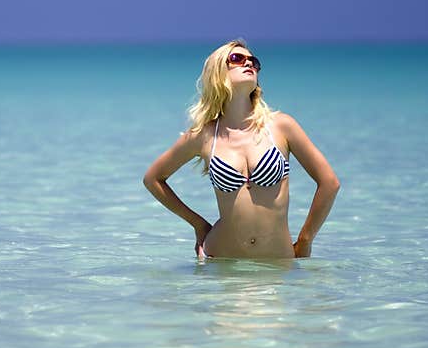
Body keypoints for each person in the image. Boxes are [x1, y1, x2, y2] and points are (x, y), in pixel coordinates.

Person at [143, 39, 340, 260]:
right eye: (237, 59)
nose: (249, 63)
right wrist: (198, 225)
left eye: (253, 61)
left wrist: (305, 239)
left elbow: (329, 183)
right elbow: (153, 179)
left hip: (275, 262)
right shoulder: (204, 135)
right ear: (217, 72)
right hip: (222, 259)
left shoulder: (281, 126)